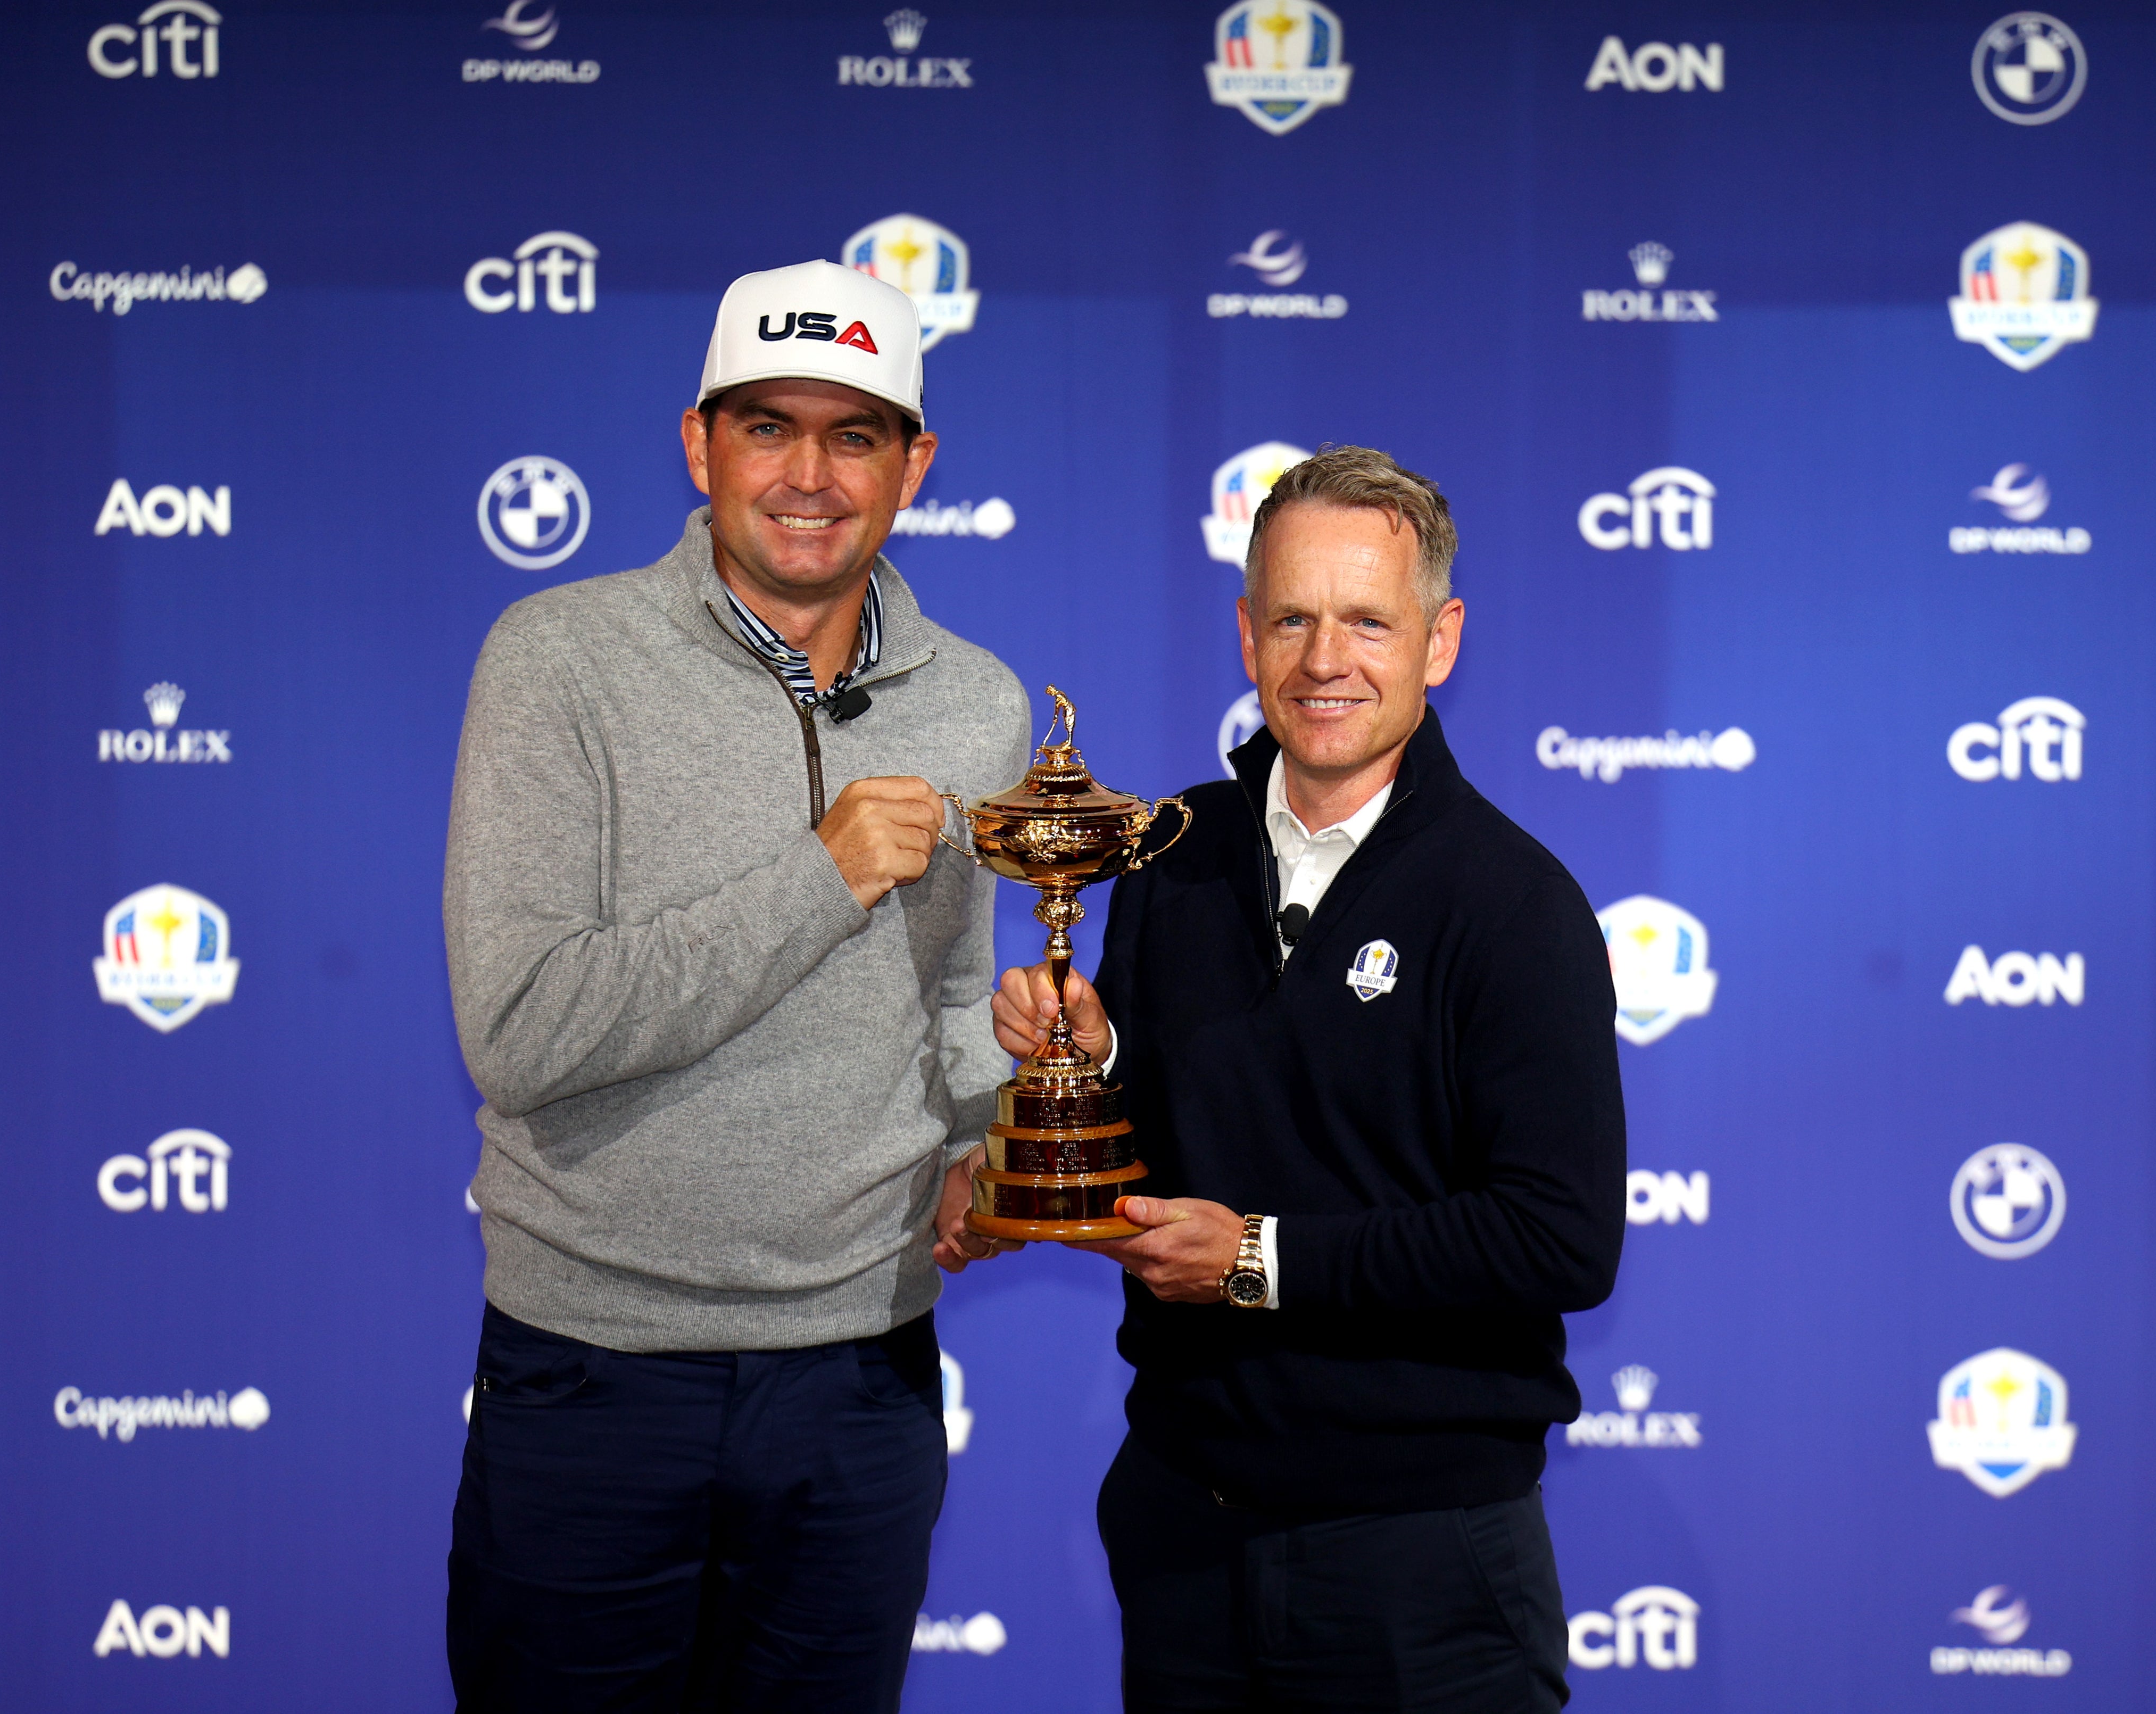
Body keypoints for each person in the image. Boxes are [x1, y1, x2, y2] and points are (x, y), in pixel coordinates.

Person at [443, 258, 1030, 1713]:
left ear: (916, 465)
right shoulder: (559, 661)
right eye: (768, 426)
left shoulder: (983, 701)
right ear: (699, 443)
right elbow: (518, 1028)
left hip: (861, 1376)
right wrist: (817, 875)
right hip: (595, 1369)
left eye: (855, 434)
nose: (810, 473)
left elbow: (953, 997)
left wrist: (998, 1129)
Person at [992, 444, 1627, 1713]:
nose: (1323, 659)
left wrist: (1261, 1261)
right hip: (1184, 1529)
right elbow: (1187, 1141)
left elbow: (1560, 1239)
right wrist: (1092, 1063)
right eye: (1292, 616)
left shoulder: (1515, 904)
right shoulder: (1172, 854)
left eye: (1366, 621)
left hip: (1420, 1560)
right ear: (1244, 632)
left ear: (1439, 642)